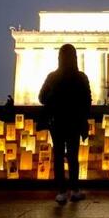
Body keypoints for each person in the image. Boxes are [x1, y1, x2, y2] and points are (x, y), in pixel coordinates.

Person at [39, 44, 92, 204]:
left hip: (57, 120)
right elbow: (87, 101)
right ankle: (75, 190)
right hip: (74, 120)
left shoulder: (53, 77)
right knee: (73, 155)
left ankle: (61, 191)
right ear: (75, 58)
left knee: (58, 155)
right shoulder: (81, 77)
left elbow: (41, 98)